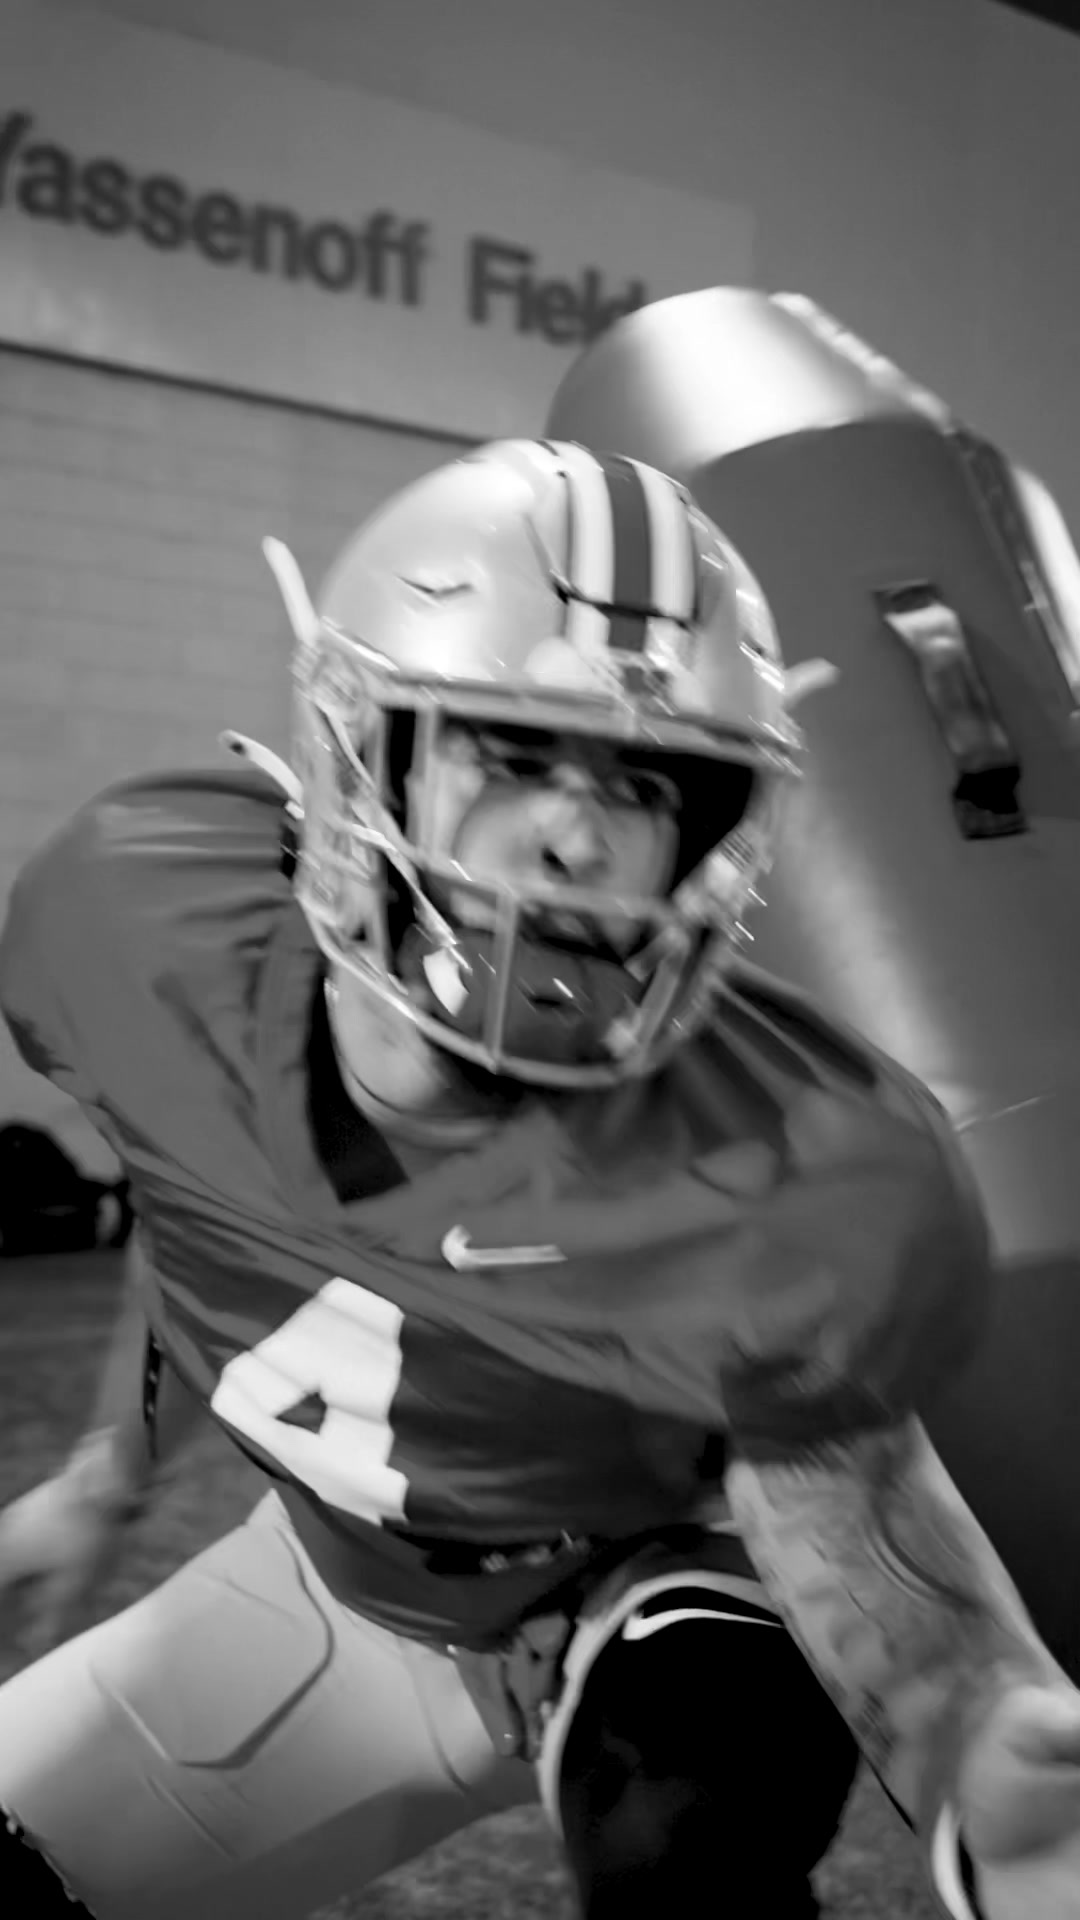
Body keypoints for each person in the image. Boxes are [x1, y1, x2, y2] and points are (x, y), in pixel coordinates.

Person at [0, 437, 1077, 1920]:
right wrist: (101, 1483)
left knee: (702, 1781)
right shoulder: (144, 922)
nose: (578, 837)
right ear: (358, 749)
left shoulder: (792, 1157)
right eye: (511, 757)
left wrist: (970, 1724)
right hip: (325, 1600)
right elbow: (197, 1214)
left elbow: (852, 1503)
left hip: (637, 1615)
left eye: (646, 784)